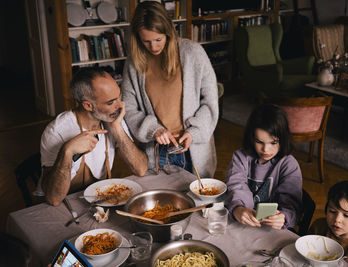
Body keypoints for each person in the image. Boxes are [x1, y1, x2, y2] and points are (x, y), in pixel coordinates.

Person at [122, 1, 219, 177]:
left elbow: (210, 102)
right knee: (161, 203)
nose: (153, 47)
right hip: (157, 151)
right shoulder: (133, 64)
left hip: (194, 148)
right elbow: (128, 109)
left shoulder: (193, 53)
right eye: (146, 41)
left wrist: (194, 132)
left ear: (168, 32)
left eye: (158, 39)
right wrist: (154, 130)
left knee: (199, 201)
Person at [40, 67, 148, 206]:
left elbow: (140, 168)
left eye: (119, 97)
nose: (120, 105)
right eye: (110, 102)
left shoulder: (111, 117)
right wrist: (67, 152)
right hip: (65, 206)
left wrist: (117, 128)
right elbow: (53, 198)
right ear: (88, 105)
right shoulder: (56, 131)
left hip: (98, 202)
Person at [225, 103, 302, 230]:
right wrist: (238, 208)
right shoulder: (241, 157)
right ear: (251, 138)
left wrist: (284, 217)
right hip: (242, 224)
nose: (266, 149)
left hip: (272, 230)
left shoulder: (289, 164)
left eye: (273, 142)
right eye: (259, 142)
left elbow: (292, 203)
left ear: (283, 139)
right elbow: (236, 186)